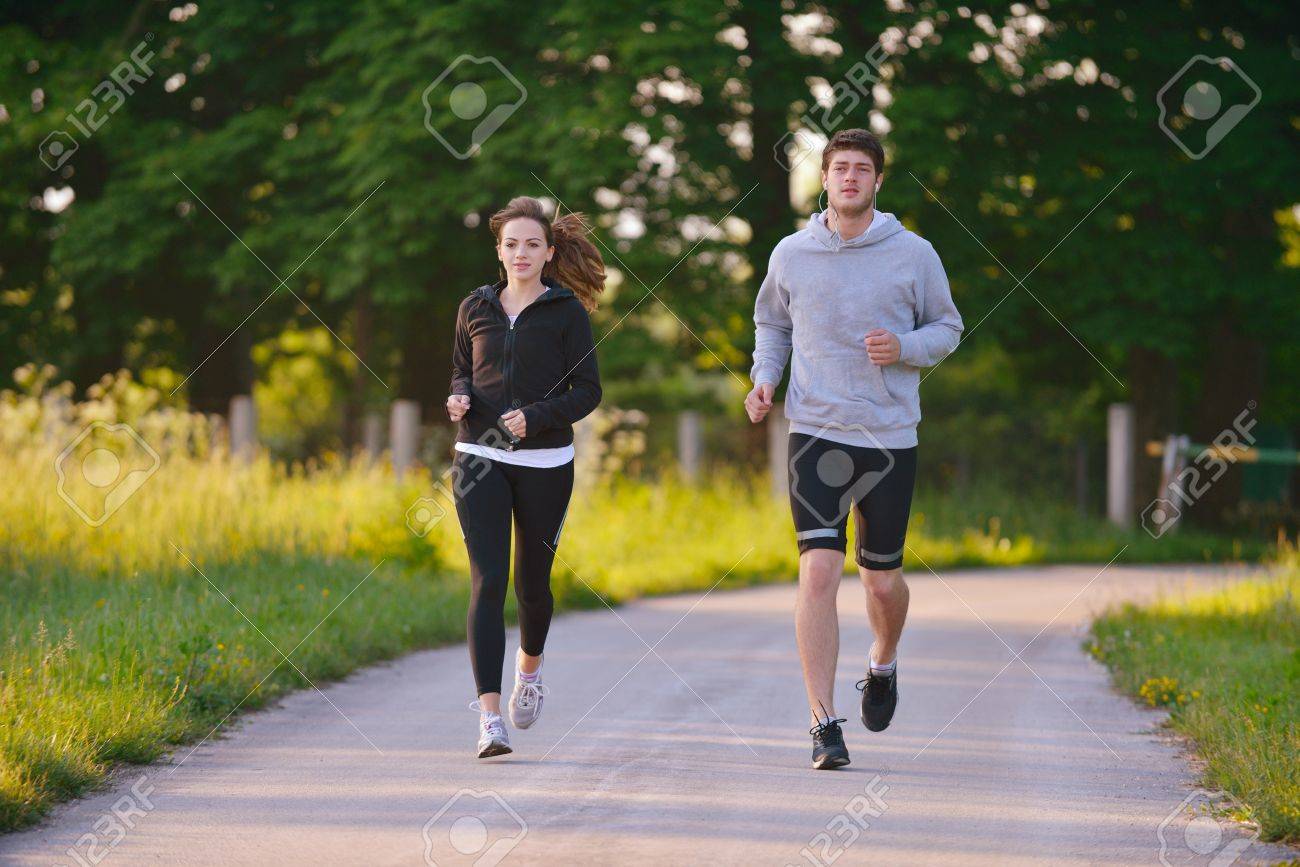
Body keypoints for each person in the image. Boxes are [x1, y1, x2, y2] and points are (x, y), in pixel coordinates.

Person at [745, 129, 963, 769]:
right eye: (839, 168)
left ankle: (884, 662)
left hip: (889, 436)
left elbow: (948, 326)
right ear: (825, 177)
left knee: (883, 580)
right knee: (818, 568)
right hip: (815, 428)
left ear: (877, 182)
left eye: (861, 170)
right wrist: (764, 378)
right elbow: (772, 323)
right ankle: (822, 722)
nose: (849, 179)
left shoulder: (914, 254)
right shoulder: (792, 253)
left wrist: (905, 349)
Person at [447, 195, 604, 758]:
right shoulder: (475, 307)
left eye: (532, 245)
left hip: (544, 464)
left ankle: (529, 674)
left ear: (549, 252)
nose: (521, 253)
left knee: (531, 587)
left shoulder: (566, 313)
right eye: (511, 244)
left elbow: (588, 391)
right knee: (488, 581)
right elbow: (462, 371)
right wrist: (459, 397)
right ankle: (490, 719)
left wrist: (535, 417)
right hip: (479, 457)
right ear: (499, 250)